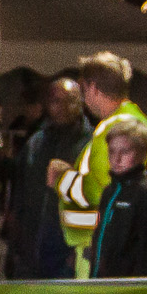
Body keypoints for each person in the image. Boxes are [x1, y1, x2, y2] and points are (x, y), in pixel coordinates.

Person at [48, 52, 147, 277]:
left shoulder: (115, 128)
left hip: (107, 254)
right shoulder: (133, 120)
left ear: (93, 88)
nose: (84, 99)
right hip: (115, 250)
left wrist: (62, 179)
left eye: (83, 90)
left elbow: (102, 192)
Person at [10, 77, 92, 279]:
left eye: (70, 101)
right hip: (31, 249)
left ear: (81, 103)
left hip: (69, 251)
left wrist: (80, 249)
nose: (62, 107)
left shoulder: (91, 144)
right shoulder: (35, 143)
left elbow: (95, 199)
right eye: (56, 101)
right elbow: (18, 194)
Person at [89, 121, 147, 278]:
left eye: (125, 152)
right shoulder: (109, 191)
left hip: (130, 284)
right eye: (112, 151)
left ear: (142, 153)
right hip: (102, 282)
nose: (116, 158)